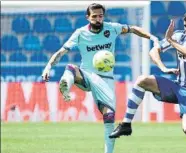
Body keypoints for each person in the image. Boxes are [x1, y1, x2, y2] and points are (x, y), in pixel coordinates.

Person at [41, 3, 159, 153]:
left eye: (100, 16)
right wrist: (48, 66)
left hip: (105, 80)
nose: (98, 19)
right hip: (86, 75)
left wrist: (152, 37)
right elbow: (61, 52)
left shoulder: (112, 28)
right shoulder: (80, 33)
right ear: (88, 17)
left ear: (103, 16)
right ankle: (66, 86)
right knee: (71, 68)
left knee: (109, 116)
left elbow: (133, 29)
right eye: (94, 16)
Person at [109, 10, 186, 153]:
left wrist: (171, 41)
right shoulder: (178, 36)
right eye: (185, 25)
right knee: (142, 80)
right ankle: (126, 125)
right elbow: (153, 51)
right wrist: (162, 67)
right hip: (177, 85)